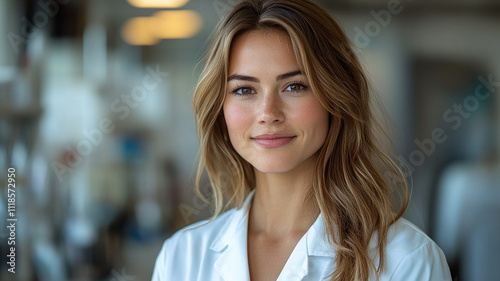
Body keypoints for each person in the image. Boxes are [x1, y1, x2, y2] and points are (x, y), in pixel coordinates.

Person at [151, 0, 452, 280]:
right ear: (221, 108)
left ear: (335, 98)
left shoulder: (407, 261)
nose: (268, 113)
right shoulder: (181, 258)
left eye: (295, 86)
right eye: (244, 90)